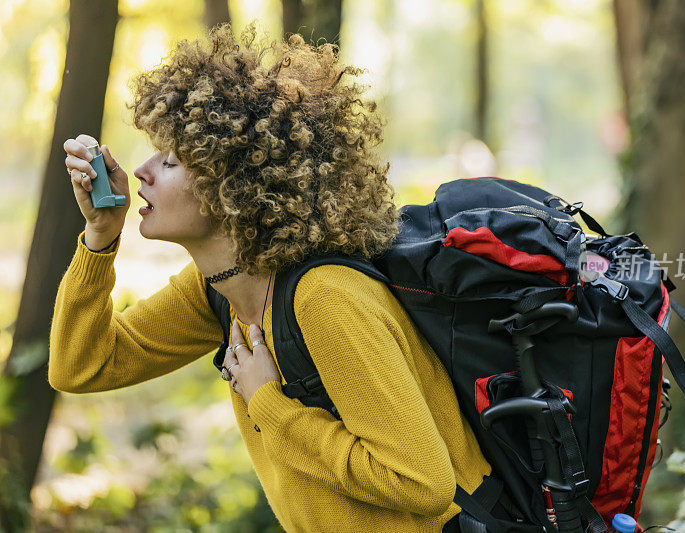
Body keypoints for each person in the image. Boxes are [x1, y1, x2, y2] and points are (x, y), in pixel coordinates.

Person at [50, 22, 490, 532]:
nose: (142, 171)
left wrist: (269, 406)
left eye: (170, 161)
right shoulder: (216, 290)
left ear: (232, 184)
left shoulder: (326, 299)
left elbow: (422, 482)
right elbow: (80, 366)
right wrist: (100, 236)